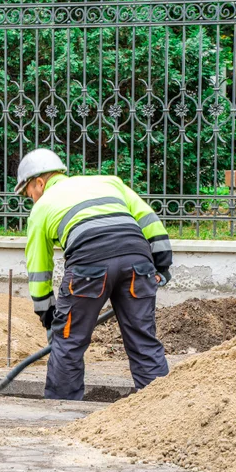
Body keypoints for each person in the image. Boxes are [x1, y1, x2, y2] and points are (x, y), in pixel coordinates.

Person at [16, 148, 172, 400]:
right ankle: (162, 409)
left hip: (89, 267)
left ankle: (60, 414)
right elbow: (149, 219)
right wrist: (162, 265)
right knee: (144, 341)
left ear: (39, 182)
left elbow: (38, 267)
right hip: (137, 261)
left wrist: (48, 313)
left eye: (28, 193)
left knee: (68, 343)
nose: (31, 198)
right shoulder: (109, 182)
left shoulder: (42, 206)